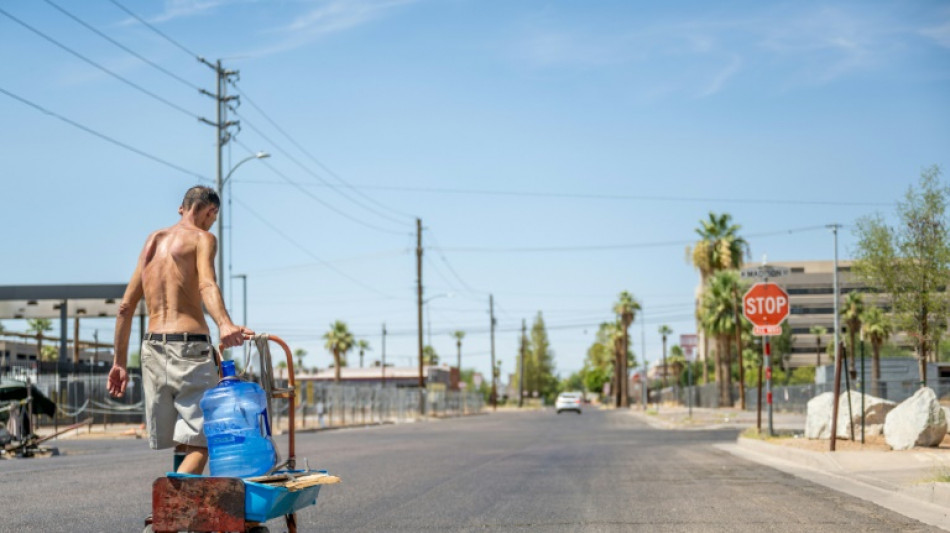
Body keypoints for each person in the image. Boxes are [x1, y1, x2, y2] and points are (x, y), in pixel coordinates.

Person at [108, 185, 252, 475]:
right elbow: (206, 284)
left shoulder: (152, 241)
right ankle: (171, 502)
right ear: (210, 211)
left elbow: (125, 307)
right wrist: (225, 324)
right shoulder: (203, 238)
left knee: (183, 439)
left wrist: (119, 362)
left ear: (181, 208)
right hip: (189, 349)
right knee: (206, 439)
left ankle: (180, 500)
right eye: (213, 217)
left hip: (152, 351)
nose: (211, 223)